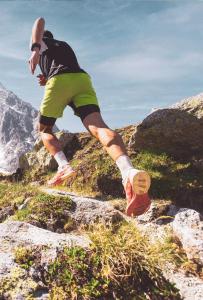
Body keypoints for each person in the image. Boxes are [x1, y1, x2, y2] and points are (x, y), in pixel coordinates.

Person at [28, 17, 151, 217]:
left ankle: (63, 167)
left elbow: (38, 21)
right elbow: (59, 66)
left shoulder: (41, 42)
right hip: (82, 80)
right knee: (98, 127)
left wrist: (34, 48)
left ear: (43, 39)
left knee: (44, 129)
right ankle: (128, 172)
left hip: (60, 82)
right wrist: (47, 77)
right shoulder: (63, 46)